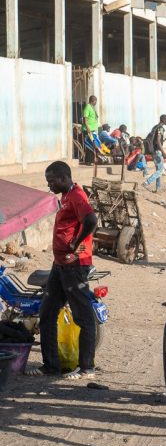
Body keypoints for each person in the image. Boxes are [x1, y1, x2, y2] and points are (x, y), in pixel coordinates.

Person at [26, 161, 98, 379]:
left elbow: (91, 220)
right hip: (60, 265)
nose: (49, 185)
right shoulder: (65, 197)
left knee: (83, 317)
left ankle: (87, 368)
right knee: (46, 314)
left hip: (74, 266)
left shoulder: (77, 195)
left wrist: (76, 244)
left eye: (51, 181)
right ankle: (51, 366)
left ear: (64, 178)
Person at [143, 114, 166, 193]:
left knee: (158, 169)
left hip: (153, 151)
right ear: (163, 120)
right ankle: (147, 182)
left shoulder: (155, 127)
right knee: (160, 171)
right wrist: (163, 152)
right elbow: (157, 140)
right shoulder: (160, 128)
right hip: (157, 151)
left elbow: (155, 140)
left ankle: (158, 188)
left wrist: (162, 141)